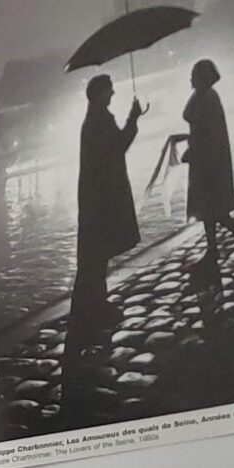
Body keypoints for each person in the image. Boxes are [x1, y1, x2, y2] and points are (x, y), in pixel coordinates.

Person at [72, 72, 145, 335]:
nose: (113, 93)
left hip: (95, 197)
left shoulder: (93, 120)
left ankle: (91, 307)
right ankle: (94, 309)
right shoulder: (101, 121)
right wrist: (133, 118)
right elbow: (119, 145)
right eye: (109, 89)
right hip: (103, 197)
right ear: (100, 93)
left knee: (94, 256)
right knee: (97, 256)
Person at [179, 58, 234, 280]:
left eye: (194, 75)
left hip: (208, 163)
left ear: (201, 78)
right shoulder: (204, 96)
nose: (190, 79)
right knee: (209, 210)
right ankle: (219, 246)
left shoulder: (206, 98)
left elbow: (205, 132)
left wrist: (193, 149)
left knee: (211, 208)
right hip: (206, 161)